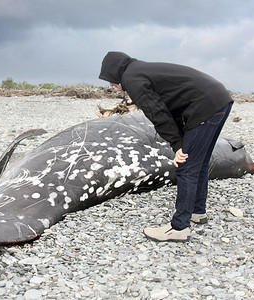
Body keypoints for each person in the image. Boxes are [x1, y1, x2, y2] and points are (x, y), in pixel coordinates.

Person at [99, 51, 233, 243]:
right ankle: (197, 211)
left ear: (115, 71)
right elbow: (171, 105)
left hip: (205, 106)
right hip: (218, 100)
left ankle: (179, 228)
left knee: (186, 166)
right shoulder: (140, 70)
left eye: (109, 79)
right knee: (199, 162)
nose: (111, 84)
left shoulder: (132, 79)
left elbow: (157, 112)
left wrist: (177, 145)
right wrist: (180, 139)